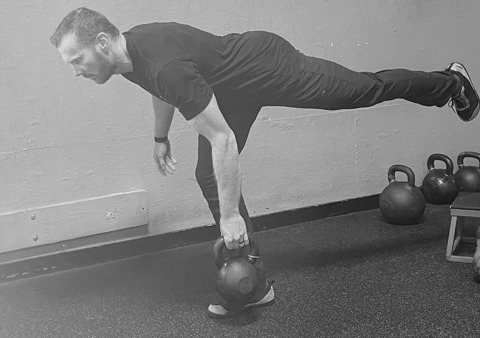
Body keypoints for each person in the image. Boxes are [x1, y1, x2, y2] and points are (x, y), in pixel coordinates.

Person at [50, 7, 479, 318]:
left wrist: (231, 215)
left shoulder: (162, 64)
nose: (76, 72)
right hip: (230, 88)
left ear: (102, 43)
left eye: (77, 60)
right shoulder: (133, 51)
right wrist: (159, 136)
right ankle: (254, 286)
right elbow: (159, 90)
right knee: (206, 175)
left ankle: (450, 82)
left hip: (269, 65)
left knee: (362, 91)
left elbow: (221, 138)